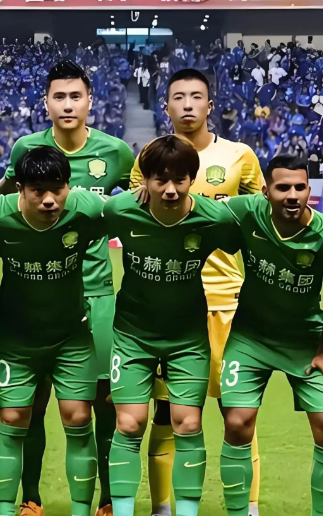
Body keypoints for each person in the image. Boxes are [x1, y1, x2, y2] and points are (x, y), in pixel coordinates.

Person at [0, 60, 134, 516]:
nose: (68, 104)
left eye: (76, 96)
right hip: (37, 297)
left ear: (90, 101)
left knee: (102, 404)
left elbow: (140, 205)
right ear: (46, 103)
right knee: (31, 405)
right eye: (59, 96)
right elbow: (2, 200)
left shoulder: (116, 152)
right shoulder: (26, 148)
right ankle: (31, 498)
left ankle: (108, 500)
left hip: (98, 295)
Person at [129, 68, 264, 516]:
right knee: (167, 415)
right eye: (178, 97)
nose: (187, 104)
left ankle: (247, 508)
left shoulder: (240, 156)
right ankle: (162, 509)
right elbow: (136, 218)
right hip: (170, 307)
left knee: (238, 414)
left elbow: (261, 219)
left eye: (196, 96)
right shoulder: (150, 157)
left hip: (227, 304)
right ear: (165, 106)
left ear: (210, 105)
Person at [105, 135, 241, 516]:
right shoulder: (121, 210)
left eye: (179, 180)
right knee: (129, 423)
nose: (170, 189)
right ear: (145, 180)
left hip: (187, 340)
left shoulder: (213, 218)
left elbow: (249, 230)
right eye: (160, 180)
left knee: (188, 424)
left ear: (192, 180)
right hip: (132, 336)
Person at [0, 146, 105, 516]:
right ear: (20, 189)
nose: (49, 200)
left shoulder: (86, 208)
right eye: (38, 191)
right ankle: (8, 509)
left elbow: (125, 211)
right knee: (12, 420)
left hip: (71, 339)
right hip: (17, 343)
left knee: (79, 418)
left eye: (58, 189)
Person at [219, 154, 323, 516]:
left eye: (300, 187)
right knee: (237, 422)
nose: (292, 195)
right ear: (266, 191)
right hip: (250, 339)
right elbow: (202, 206)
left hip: (305, 341)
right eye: (283, 188)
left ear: (309, 189)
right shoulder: (248, 212)